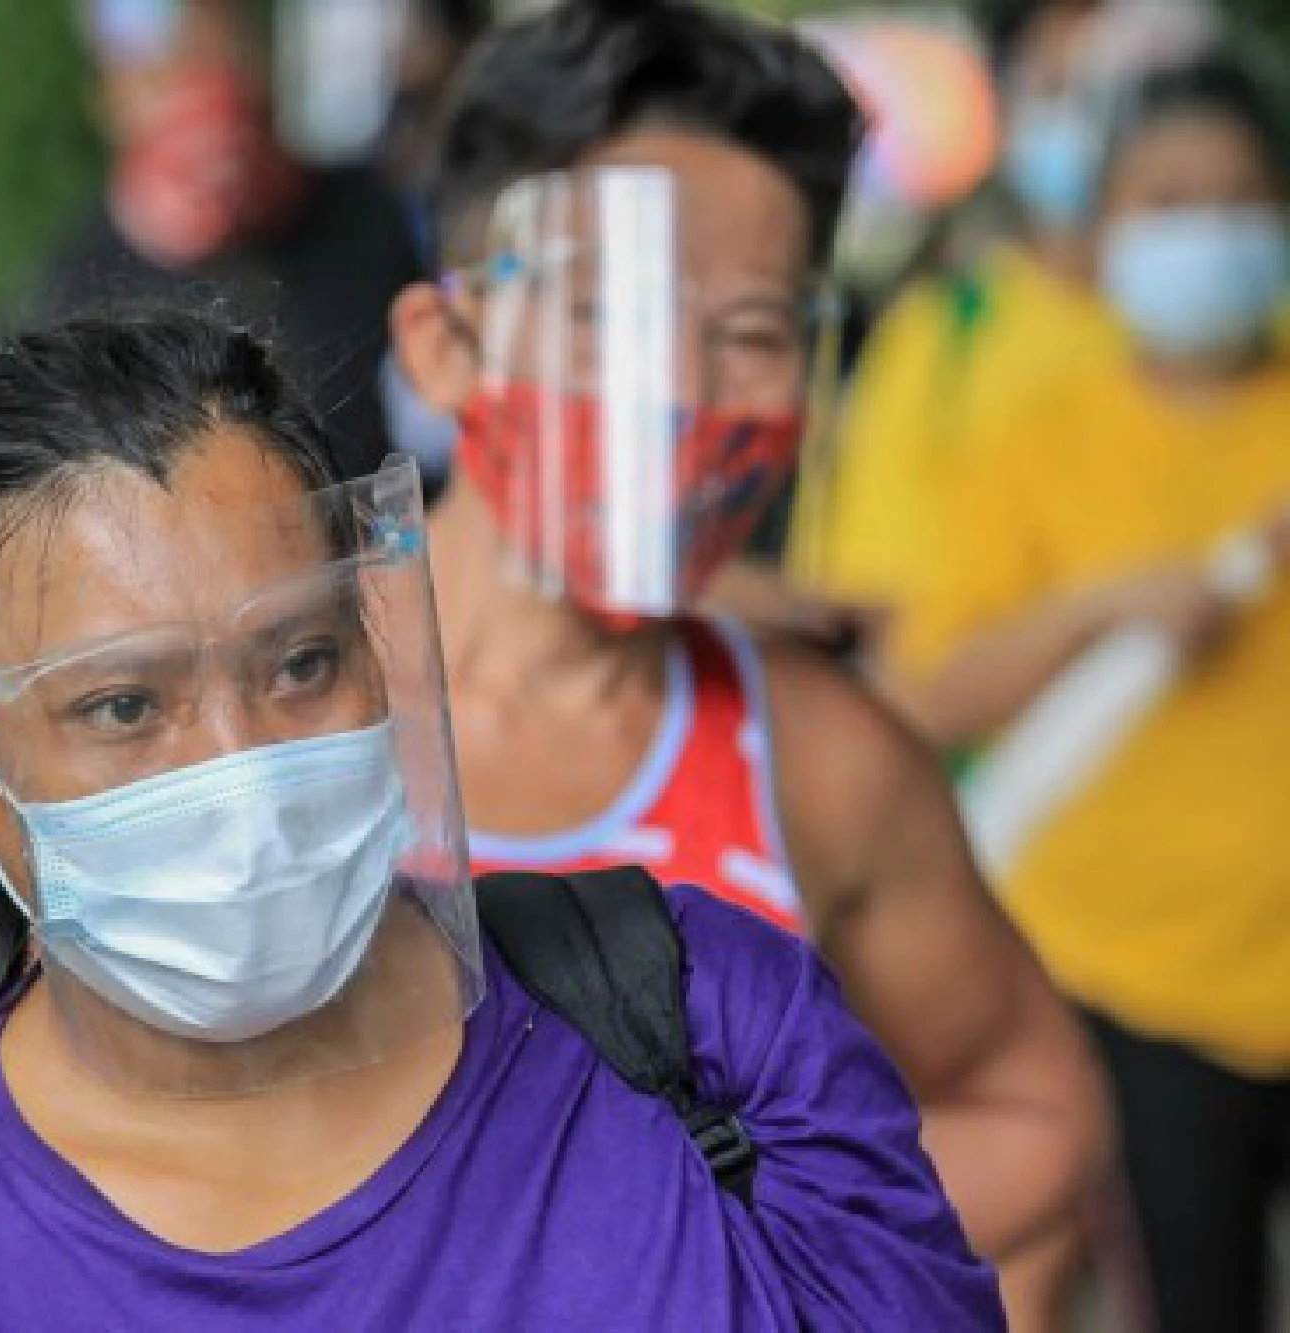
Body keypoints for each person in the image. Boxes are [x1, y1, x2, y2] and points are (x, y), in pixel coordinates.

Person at [0, 307, 999, 1329]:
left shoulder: (705, 1020)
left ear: (376, 645)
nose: (239, 765)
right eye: (119, 707)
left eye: (299, 663)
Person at [381, 2, 1104, 1327]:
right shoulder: (249, 720)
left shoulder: (822, 763)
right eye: (610, 314)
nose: (682, 389)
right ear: (446, 345)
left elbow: (1035, 1118)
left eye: (758, 333)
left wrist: (703, 1249)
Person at [888, 52, 1290, 1333]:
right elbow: (930, 697)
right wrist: (1105, 603)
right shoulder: (1039, 438)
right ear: (1103, 222)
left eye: (1239, 199)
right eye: (1167, 202)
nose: (1206, 231)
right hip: (1133, 987)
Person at [791, 0, 1218, 630]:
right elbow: (868, 601)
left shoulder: (1253, 332)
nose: (1082, 117)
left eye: (1109, 90)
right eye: (1052, 86)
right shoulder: (944, 331)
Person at [40, 0, 423, 481]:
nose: (212, 99)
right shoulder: (79, 304)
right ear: (111, 101)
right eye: (171, 72)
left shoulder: (363, 210)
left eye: (230, 56)